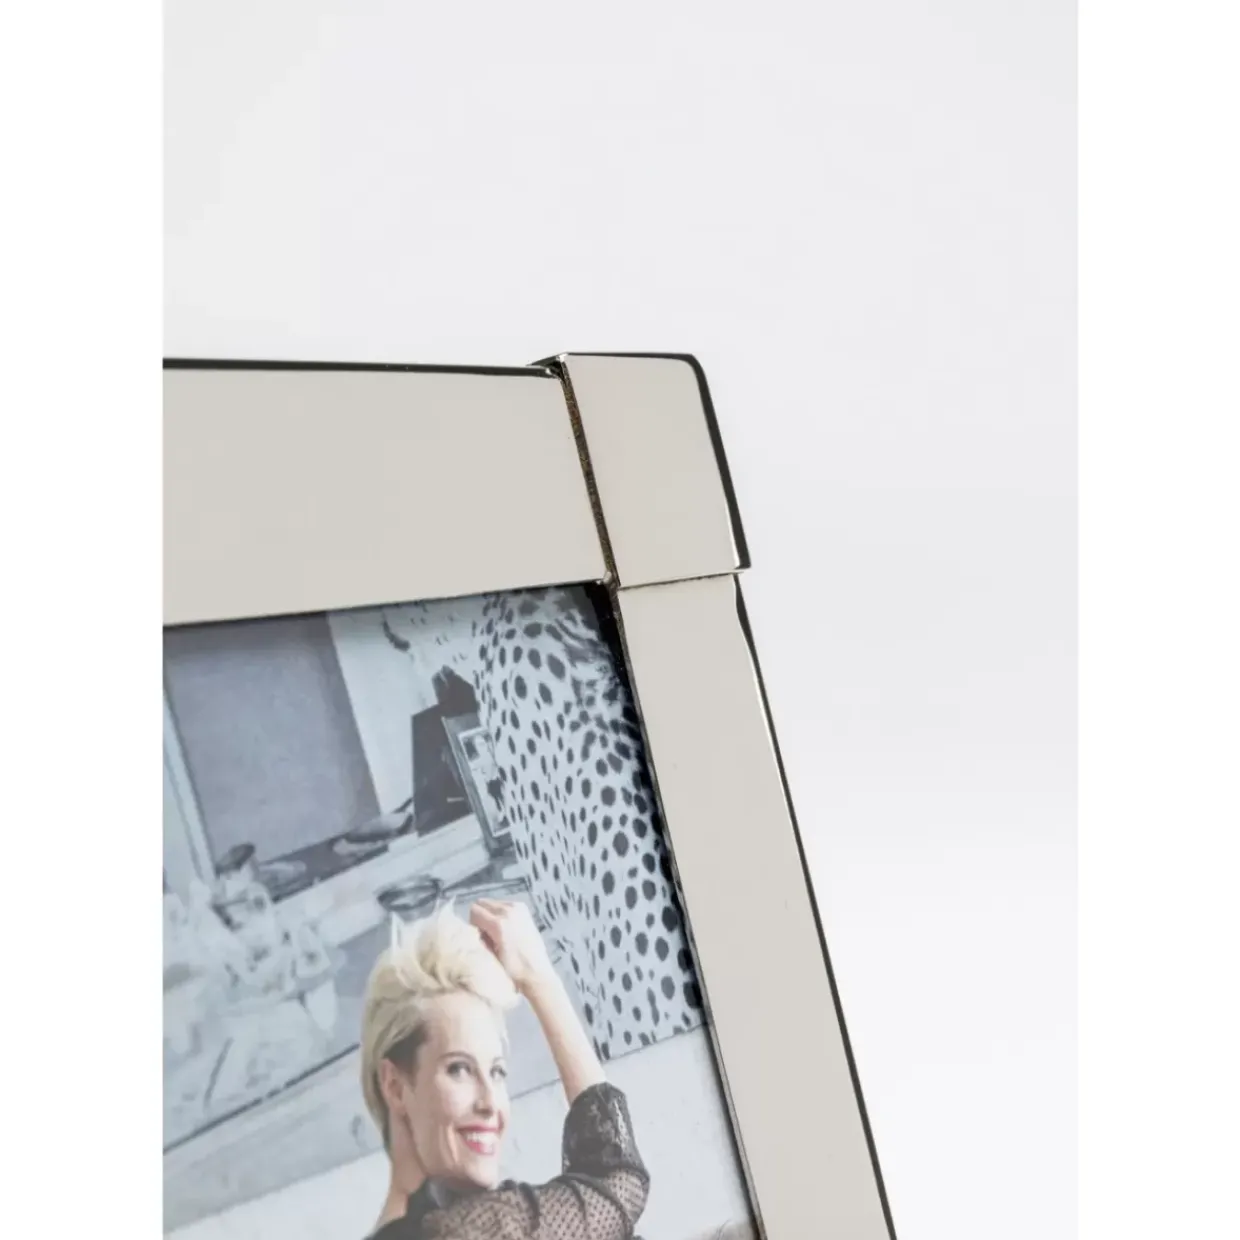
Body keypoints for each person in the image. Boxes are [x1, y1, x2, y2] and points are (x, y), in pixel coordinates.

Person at [362, 898, 650, 1239]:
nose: (490, 1103)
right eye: (459, 1069)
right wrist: (538, 977)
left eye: (497, 1072)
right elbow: (617, 1176)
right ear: (395, 1086)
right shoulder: (460, 1232)